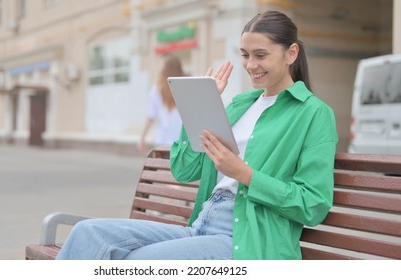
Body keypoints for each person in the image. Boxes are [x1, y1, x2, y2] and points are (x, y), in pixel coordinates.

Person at [56, 10, 338, 260]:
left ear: (291, 54)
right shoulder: (241, 105)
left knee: (137, 261)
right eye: (245, 55)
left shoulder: (313, 113)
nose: (251, 65)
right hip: (201, 225)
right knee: (87, 233)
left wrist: (244, 174)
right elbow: (183, 168)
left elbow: (313, 205)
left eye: (260, 55)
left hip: (246, 241)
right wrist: (199, 105)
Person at [137, 55, 185, 154]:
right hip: (181, 143)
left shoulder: (155, 90)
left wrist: (142, 138)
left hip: (162, 142)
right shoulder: (185, 88)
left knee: (161, 168)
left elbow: (150, 116)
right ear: (180, 70)